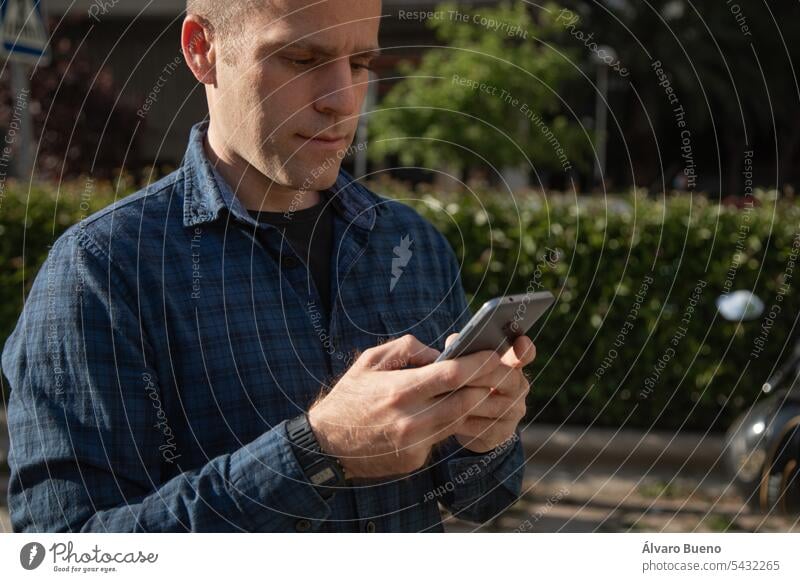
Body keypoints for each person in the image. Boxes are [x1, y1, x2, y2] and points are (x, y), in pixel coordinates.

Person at [1, 0, 534, 532]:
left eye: (361, 64)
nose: (343, 100)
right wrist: (318, 452)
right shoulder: (102, 272)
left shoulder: (412, 244)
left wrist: (483, 438)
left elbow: (484, 500)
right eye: (302, 59)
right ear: (201, 50)